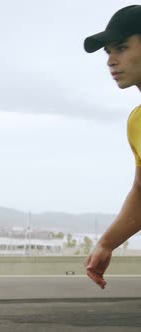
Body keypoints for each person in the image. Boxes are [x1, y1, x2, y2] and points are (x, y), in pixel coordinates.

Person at [83, 5, 141, 289]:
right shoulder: (137, 122)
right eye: (108, 52)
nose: (111, 60)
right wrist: (106, 244)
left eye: (120, 47)